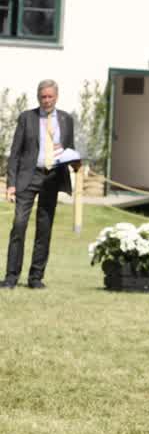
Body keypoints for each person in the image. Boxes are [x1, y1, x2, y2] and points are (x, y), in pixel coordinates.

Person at [4, 78, 79, 289]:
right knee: (19, 225)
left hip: (52, 178)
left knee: (44, 228)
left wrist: (75, 163)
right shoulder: (27, 117)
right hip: (28, 177)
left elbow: (70, 149)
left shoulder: (66, 119)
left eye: (50, 96)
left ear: (57, 96)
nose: (46, 100)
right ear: (38, 97)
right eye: (43, 97)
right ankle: (11, 277)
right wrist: (11, 183)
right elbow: (15, 153)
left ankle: (35, 278)